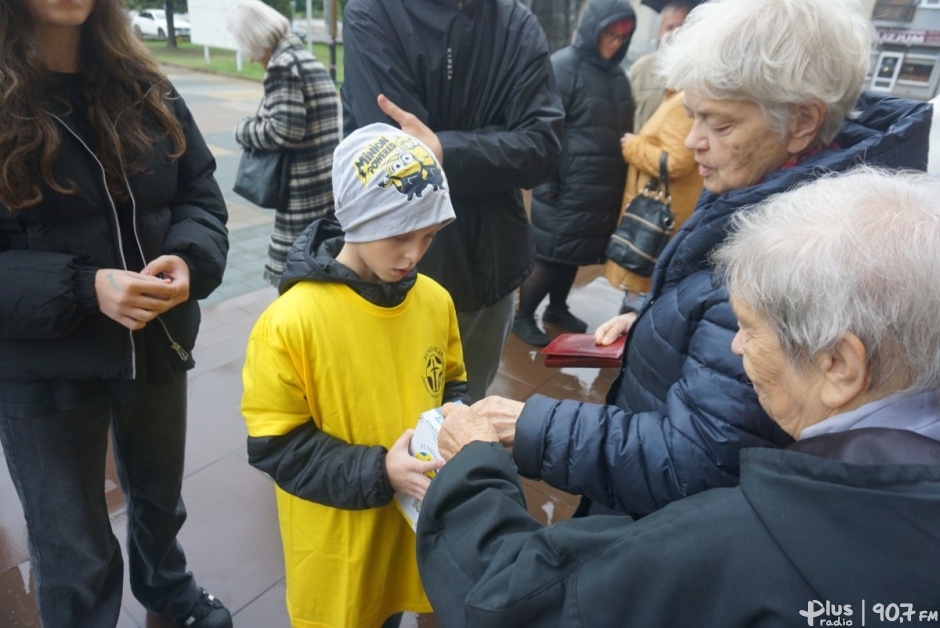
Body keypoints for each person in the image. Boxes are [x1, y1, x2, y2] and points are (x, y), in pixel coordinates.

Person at [466, 0, 933, 519]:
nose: (694, 142)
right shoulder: (765, 182)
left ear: (802, 122)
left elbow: (699, 461)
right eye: (693, 115)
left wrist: (532, 426)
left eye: (721, 124)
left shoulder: (800, 255)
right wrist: (654, 324)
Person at [416, 166, 940, 627]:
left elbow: (514, 604)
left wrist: (473, 471)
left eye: (752, 330)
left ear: (839, 365)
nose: (735, 345)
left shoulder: (741, 543)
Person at [0, 0, 231, 626]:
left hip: (157, 339)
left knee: (160, 498)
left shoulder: (143, 82)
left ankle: (169, 591)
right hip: (44, 366)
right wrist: (82, 287)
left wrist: (188, 258)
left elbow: (200, 193)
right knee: (71, 544)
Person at [240, 123, 471, 627]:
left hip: (410, 526)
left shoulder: (435, 300)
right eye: (399, 235)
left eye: (429, 237)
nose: (413, 255)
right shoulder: (289, 324)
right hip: (338, 545)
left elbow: (451, 380)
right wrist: (379, 473)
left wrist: (457, 422)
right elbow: (276, 446)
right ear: (356, 220)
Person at [340, 0, 564, 400]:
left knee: (465, 413)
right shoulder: (373, 11)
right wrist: (490, 145)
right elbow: (392, 150)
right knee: (389, 419)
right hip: (394, 267)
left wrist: (444, 149)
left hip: (488, 267)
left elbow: (543, 147)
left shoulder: (516, 23)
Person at [512, 0, 636, 347]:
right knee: (550, 256)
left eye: (621, 38)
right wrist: (547, 181)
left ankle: (557, 308)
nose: (613, 43)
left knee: (574, 254)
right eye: (608, 35)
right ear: (594, 30)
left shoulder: (618, 76)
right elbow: (543, 129)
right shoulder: (564, 66)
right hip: (564, 187)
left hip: (598, 191)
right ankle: (523, 316)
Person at [229, 0, 340, 286]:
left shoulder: (282, 65)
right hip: (324, 183)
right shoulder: (307, 59)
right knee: (319, 261)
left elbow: (284, 131)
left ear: (254, 39)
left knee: (294, 274)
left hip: (301, 191)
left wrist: (243, 130)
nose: (252, 58)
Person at [604, 88, 703, 313]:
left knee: (640, 288)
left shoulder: (682, 101)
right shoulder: (679, 97)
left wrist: (633, 146)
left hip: (661, 213)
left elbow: (676, 162)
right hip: (664, 209)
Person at [628, 1, 691, 130]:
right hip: (640, 148)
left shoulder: (699, 73)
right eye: (670, 27)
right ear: (660, 30)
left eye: (681, 27)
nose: (675, 33)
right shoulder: (641, 70)